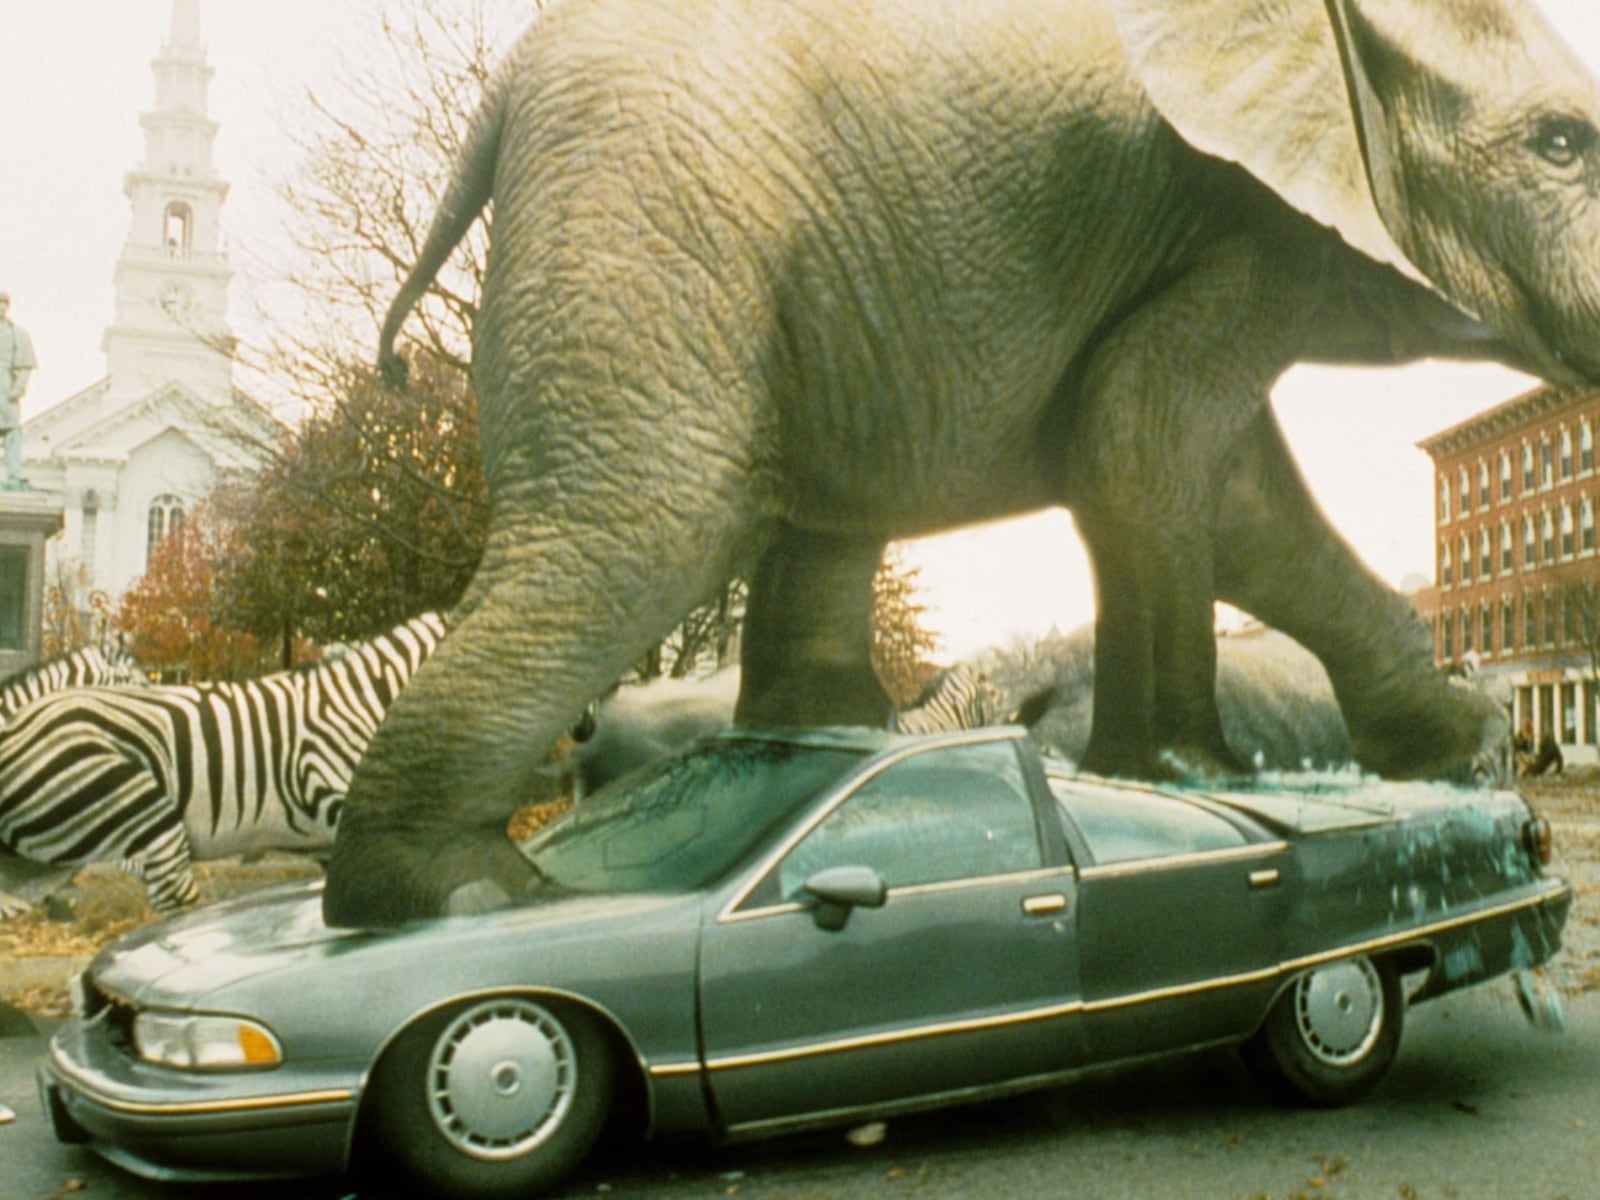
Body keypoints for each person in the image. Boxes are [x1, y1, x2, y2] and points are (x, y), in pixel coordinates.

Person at [0, 291, 38, 490]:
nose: (1, 307)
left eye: (4, 303)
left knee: (12, 432)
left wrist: (18, 387)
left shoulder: (18, 334)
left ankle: (14, 475)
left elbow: (25, 365)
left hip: (6, 385)